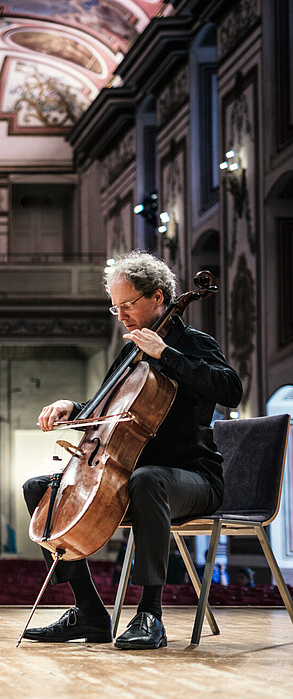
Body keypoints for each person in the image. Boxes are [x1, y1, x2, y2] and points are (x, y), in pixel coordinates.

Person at [22, 251, 242, 650]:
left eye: (127, 304)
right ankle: (88, 611)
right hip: (129, 474)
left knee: (148, 479)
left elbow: (230, 388)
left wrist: (166, 354)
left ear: (157, 297)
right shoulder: (129, 352)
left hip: (191, 478)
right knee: (41, 490)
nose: (120, 314)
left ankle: (150, 615)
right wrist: (73, 407)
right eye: (115, 306)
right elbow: (104, 409)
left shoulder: (193, 344)